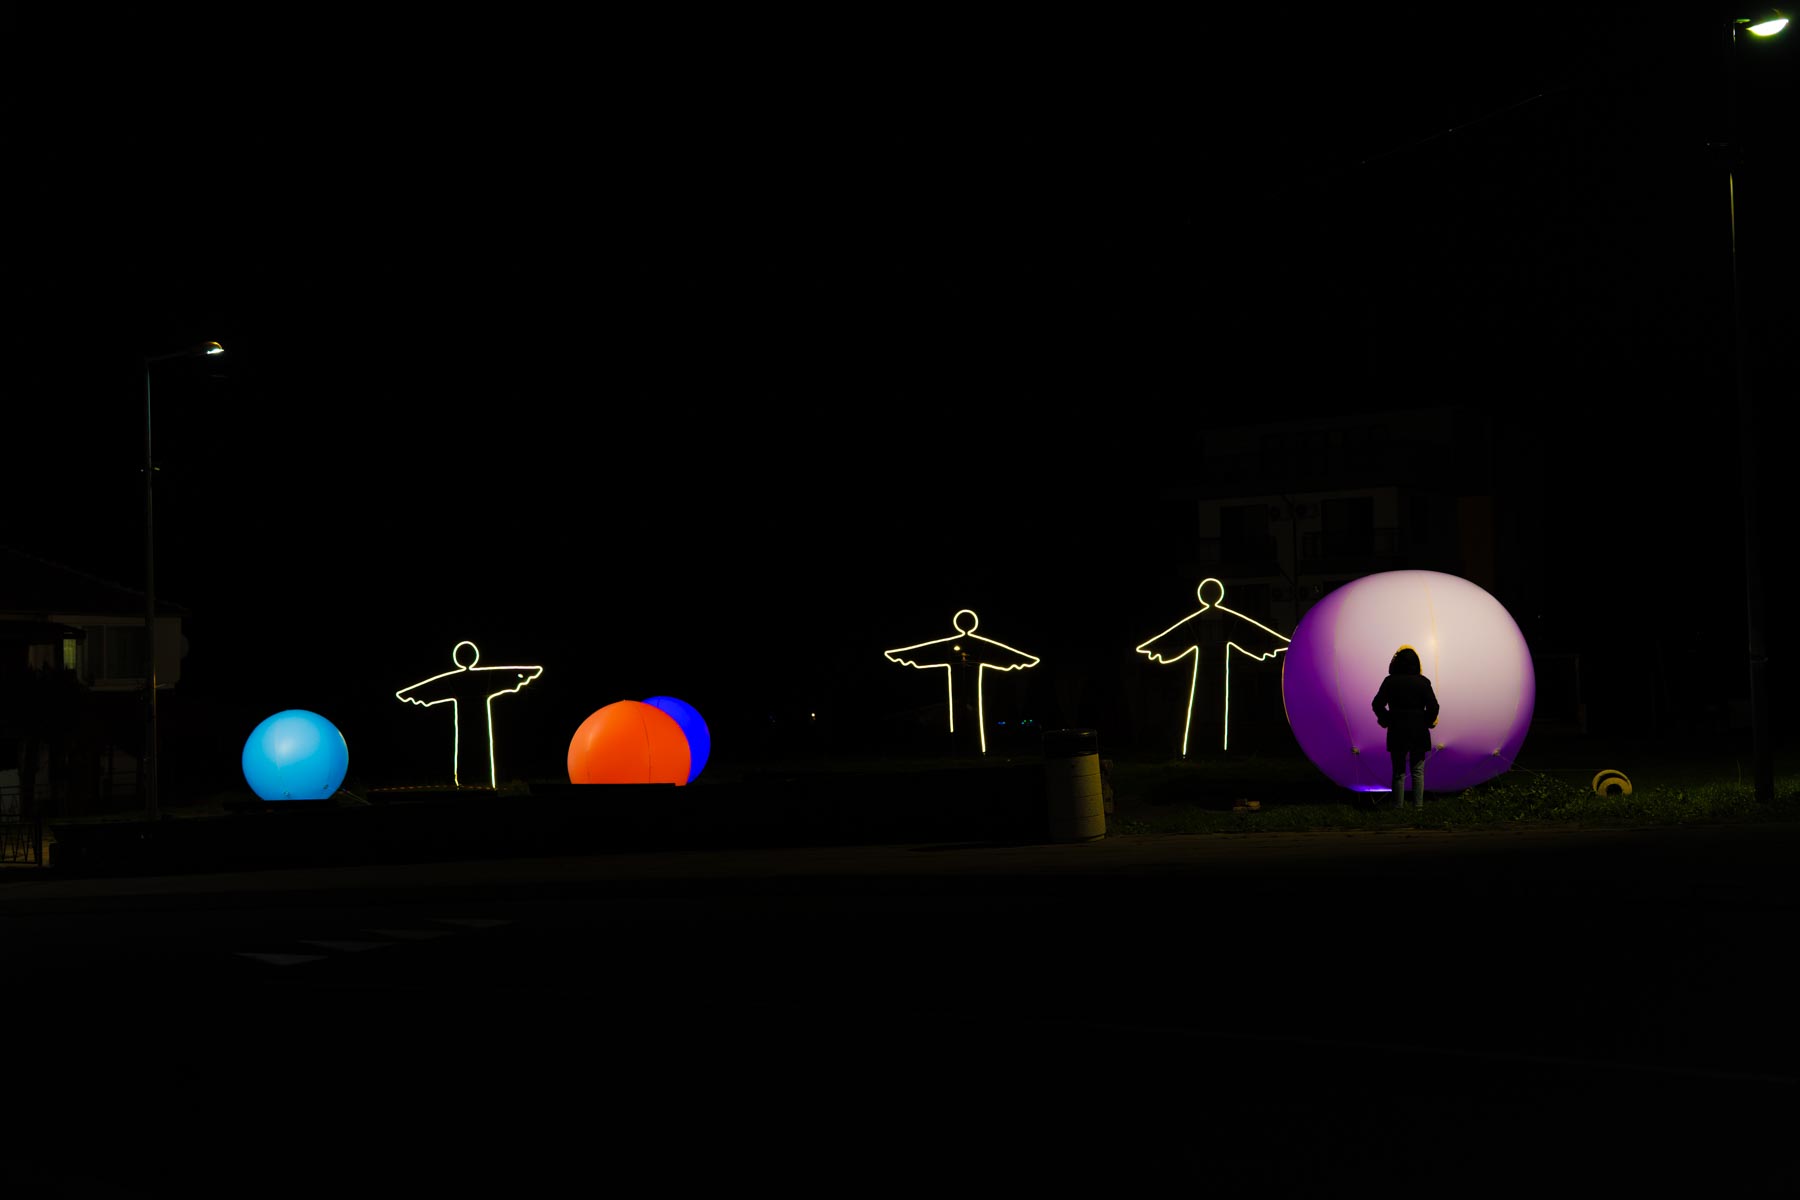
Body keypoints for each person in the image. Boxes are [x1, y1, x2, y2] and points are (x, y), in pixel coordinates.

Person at [1371, 645, 1439, 808]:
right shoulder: (1423, 682)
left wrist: (1386, 719)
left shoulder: (1390, 682)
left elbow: (1377, 704)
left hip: (1397, 730)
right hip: (1419, 731)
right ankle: (1418, 807)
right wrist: (1427, 721)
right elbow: (1433, 706)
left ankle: (1398, 807)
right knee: (1418, 771)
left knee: (1398, 772)